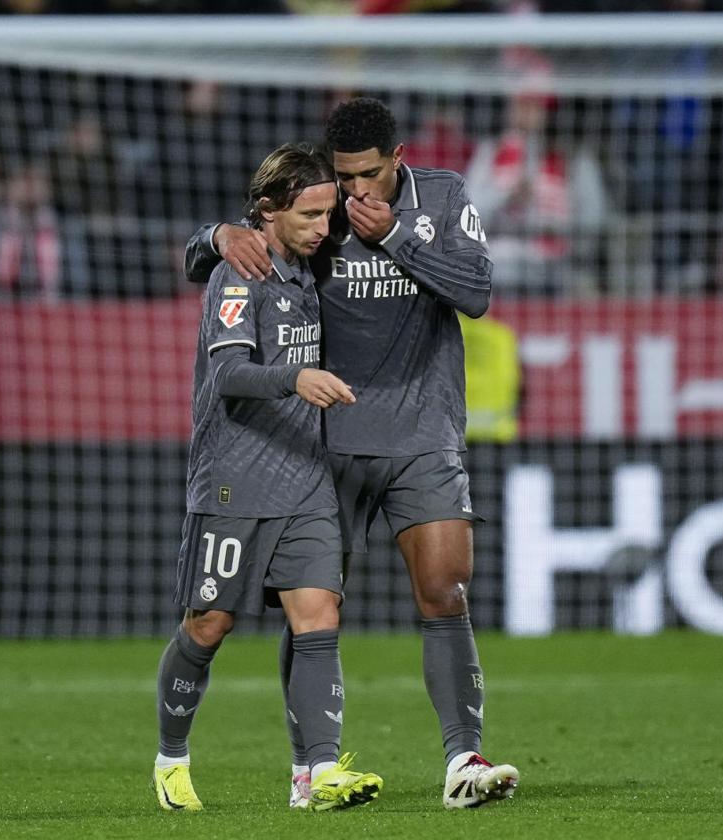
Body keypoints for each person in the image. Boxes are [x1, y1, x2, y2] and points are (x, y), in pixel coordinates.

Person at [184, 97, 519, 810]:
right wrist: (215, 236)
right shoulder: (320, 209)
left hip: (422, 433)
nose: (353, 194)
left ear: (398, 161)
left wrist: (397, 236)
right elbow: (214, 252)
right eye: (344, 178)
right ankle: (312, 769)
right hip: (321, 442)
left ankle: (464, 757)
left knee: (445, 590)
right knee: (314, 608)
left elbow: (478, 293)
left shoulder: (444, 199)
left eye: (367, 176)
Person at [153, 143, 382, 813]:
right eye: (309, 215)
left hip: (307, 478)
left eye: (327, 213)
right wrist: (295, 377)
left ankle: (316, 774)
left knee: (318, 615)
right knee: (210, 624)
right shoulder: (239, 273)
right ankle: (171, 760)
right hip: (233, 482)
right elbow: (227, 377)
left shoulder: (318, 263)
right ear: (269, 213)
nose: (322, 226)